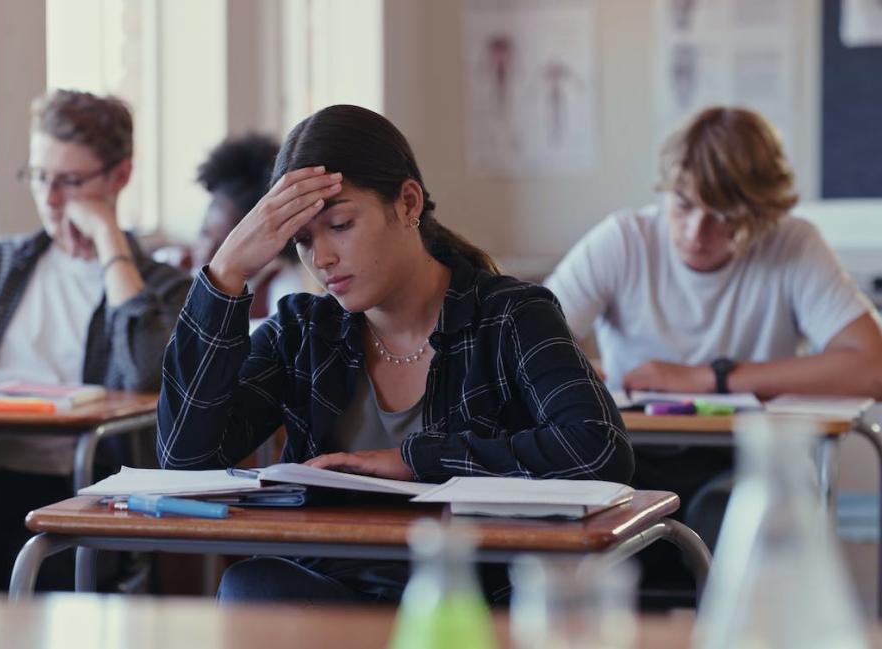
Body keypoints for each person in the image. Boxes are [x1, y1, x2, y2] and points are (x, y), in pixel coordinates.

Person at [157, 104, 632, 603]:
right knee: (249, 587)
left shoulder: (511, 315)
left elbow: (598, 449)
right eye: (301, 241)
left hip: (469, 596)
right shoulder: (302, 332)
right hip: (331, 590)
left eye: (340, 225)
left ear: (408, 203)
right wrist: (227, 270)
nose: (322, 259)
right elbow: (184, 463)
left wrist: (417, 460)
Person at [545, 106, 882, 586]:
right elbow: (523, 346)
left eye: (724, 217)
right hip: (629, 460)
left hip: (744, 461)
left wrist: (711, 378)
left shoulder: (792, 245)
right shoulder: (624, 240)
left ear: (762, 214)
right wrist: (575, 376)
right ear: (666, 189)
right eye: (683, 204)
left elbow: (873, 367)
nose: (695, 232)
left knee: (744, 515)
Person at [0, 89, 190, 589]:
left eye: (70, 182)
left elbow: (145, 372)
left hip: (75, 482)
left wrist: (109, 241)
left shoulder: (163, 288)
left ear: (119, 176)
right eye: (39, 177)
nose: (50, 199)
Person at [191, 133, 314, 318]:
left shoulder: (285, 293)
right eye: (205, 234)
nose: (206, 253)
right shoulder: (177, 270)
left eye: (224, 245)